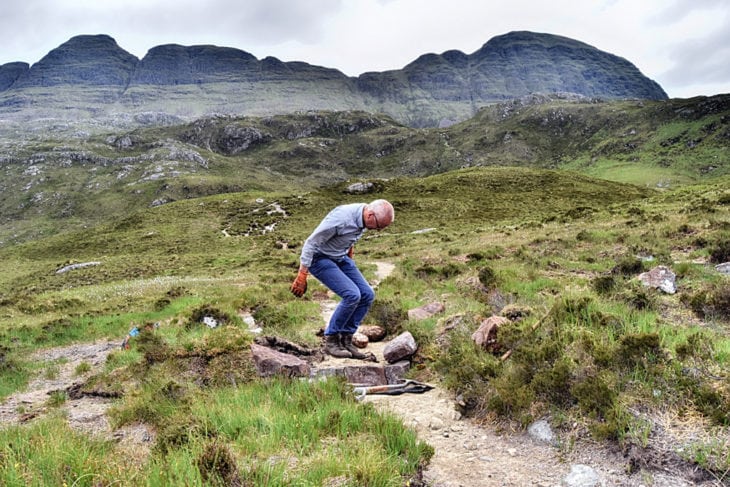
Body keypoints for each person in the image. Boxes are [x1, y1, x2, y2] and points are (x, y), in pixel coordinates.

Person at [290, 199, 395, 359]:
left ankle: (346, 340)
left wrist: (349, 254)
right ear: (370, 215)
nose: (378, 231)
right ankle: (331, 341)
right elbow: (310, 243)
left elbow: (350, 236)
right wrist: (302, 275)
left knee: (367, 294)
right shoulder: (341, 218)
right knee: (352, 295)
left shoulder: (365, 218)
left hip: (340, 257)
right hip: (320, 258)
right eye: (379, 226)